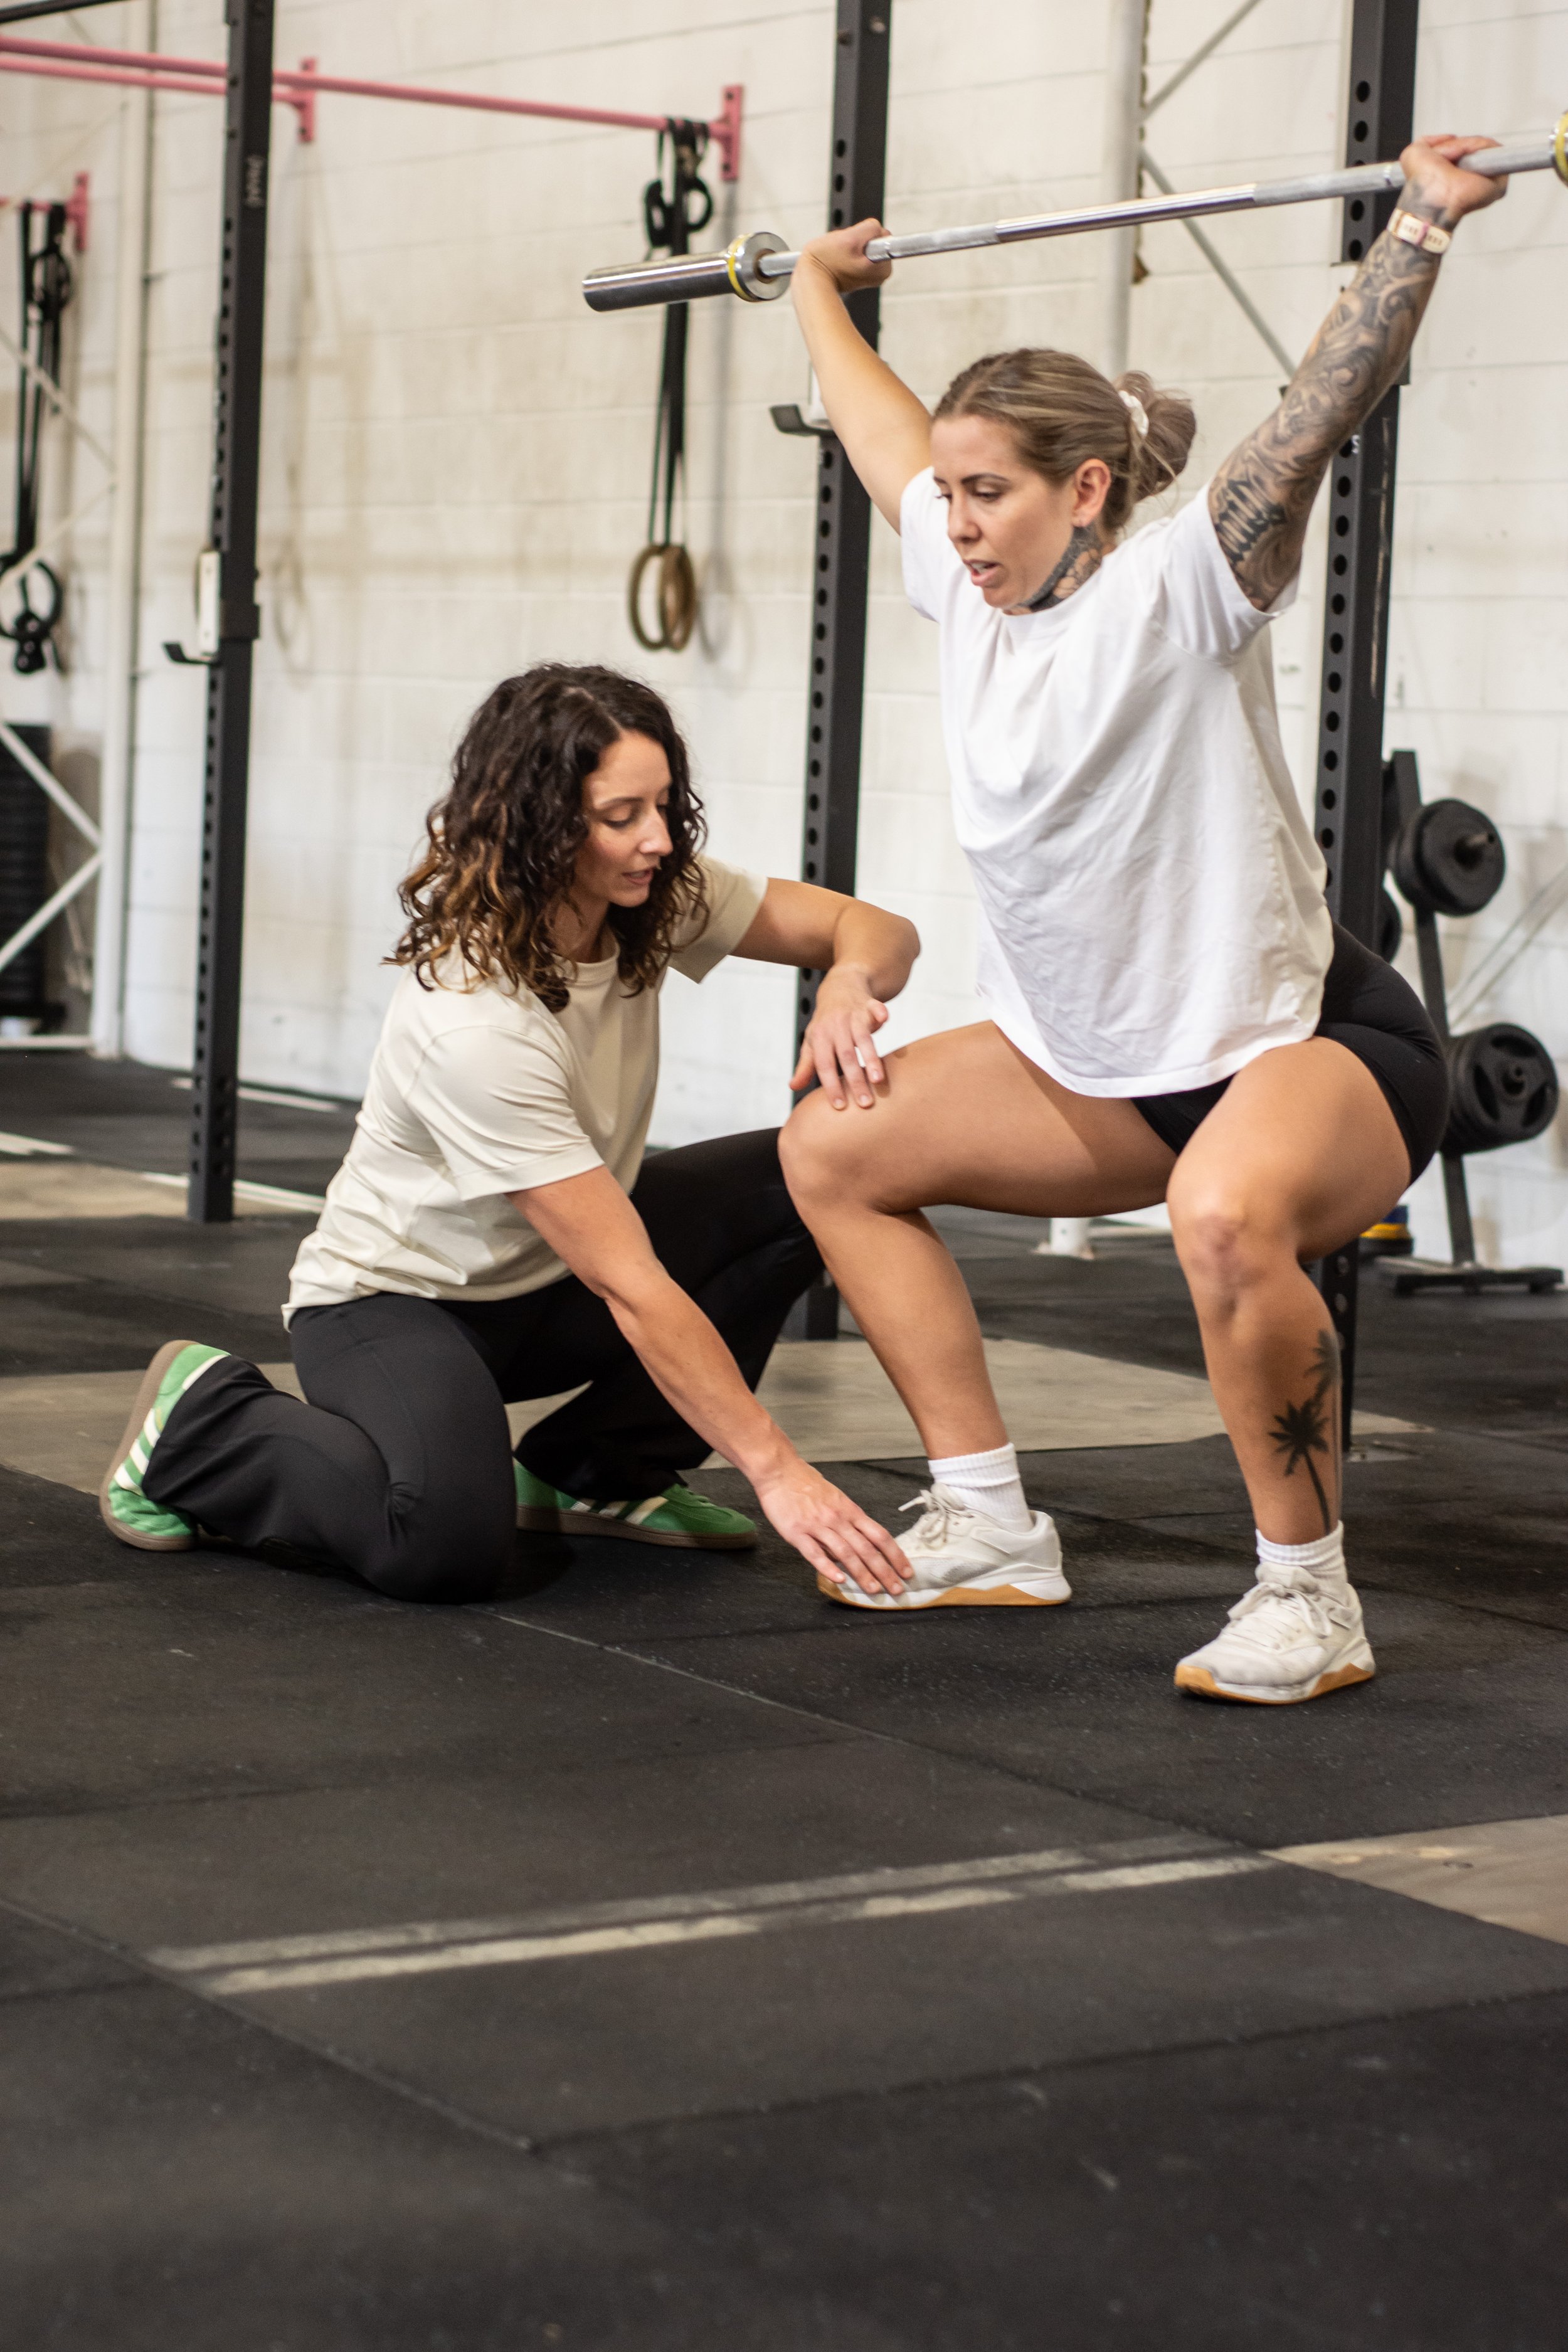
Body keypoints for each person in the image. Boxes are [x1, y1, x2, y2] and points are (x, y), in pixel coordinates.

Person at [777, 137, 1505, 1700]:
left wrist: (1419, 228)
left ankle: (1306, 1596)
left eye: (990, 495)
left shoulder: (1177, 588)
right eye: (953, 498)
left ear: (1084, 489)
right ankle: (984, 1520)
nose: (956, 522)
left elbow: (1315, 416)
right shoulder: (966, 589)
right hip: (1104, 1068)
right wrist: (815, 295)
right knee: (830, 1149)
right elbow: (877, 431)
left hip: (1311, 1047)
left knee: (1226, 1220)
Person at [100, 663, 917, 1606]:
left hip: (548, 1281)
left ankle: (597, 1469)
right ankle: (206, 1424)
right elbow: (632, 1283)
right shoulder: (475, 1018)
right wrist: (778, 1471)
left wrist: (851, 979)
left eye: (663, 804)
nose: (656, 838)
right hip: (400, 1304)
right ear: (542, 823)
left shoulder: (648, 892)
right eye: (622, 815)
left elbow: (877, 927)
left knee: (813, 1174)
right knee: (440, 1544)